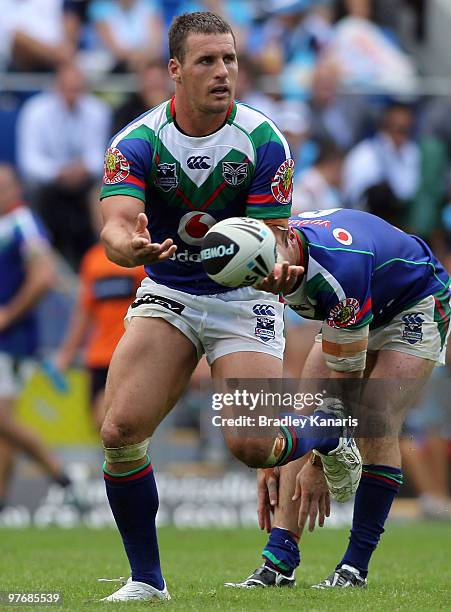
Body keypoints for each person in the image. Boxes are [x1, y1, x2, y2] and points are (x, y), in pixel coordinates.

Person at [97, 12, 360, 602]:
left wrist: (280, 264)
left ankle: (325, 432)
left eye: (230, 60)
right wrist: (130, 247)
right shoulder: (137, 142)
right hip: (169, 290)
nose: (223, 73)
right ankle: (147, 580)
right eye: (206, 61)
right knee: (118, 429)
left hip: (244, 301)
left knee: (252, 447)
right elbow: (114, 228)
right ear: (174, 70)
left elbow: (277, 237)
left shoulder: (265, 142)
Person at [226, 207, 451, 589]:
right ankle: (279, 560)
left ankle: (354, 568)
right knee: (301, 412)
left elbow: (344, 391)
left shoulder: (338, 271)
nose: (267, 286)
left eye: (270, 278)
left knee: (374, 419)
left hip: (415, 300)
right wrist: (273, 450)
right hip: (358, 305)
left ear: (282, 241)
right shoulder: (261, 253)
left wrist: (318, 460)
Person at [0, 164, 72, 512]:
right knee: (3, 426)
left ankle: (60, 473)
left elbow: (44, 277)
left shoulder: (22, 223)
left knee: (1, 419)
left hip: (11, 341)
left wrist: (8, 314)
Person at [54, 203, 146, 431]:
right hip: (99, 356)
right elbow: (84, 312)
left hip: (132, 352)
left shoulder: (144, 255)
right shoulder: (93, 260)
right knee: (103, 426)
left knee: (112, 419)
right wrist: (66, 355)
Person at [16, 62, 111, 271]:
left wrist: (82, 169)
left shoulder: (97, 110)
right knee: (36, 193)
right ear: (56, 86)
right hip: (48, 185)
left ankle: (98, 260)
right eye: (67, 87)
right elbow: (29, 161)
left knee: (102, 191)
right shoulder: (35, 111)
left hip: (83, 182)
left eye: (76, 88)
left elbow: (100, 155)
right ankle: (46, 258)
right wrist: (58, 172)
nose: (72, 93)